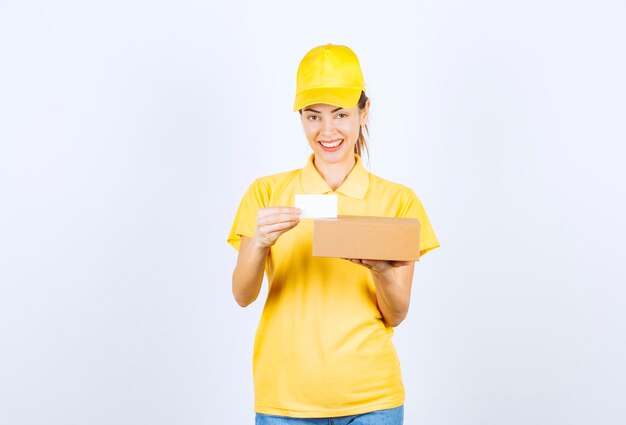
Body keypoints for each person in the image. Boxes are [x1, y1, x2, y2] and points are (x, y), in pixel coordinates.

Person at [227, 43, 440, 425]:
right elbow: (243, 295)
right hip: (284, 402)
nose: (327, 131)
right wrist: (258, 243)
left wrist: (380, 269)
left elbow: (396, 313)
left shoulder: (399, 202)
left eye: (340, 114)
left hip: (373, 401)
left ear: (364, 111)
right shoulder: (266, 193)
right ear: (301, 118)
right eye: (313, 117)